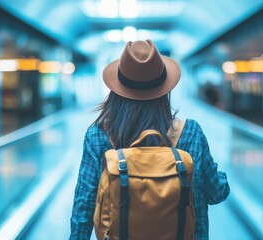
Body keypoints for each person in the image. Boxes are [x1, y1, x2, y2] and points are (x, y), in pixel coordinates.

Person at [69, 40, 230, 240]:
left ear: (116, 90)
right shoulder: (190, 133)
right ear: (165, 90)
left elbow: (83, 207)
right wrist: (217, 175)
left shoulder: (98, 136)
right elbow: (217, 192)